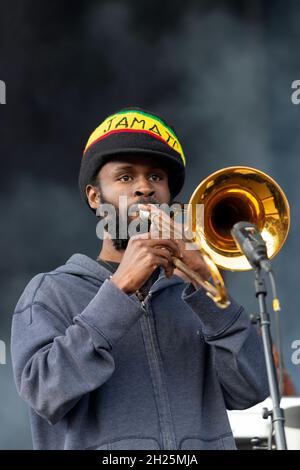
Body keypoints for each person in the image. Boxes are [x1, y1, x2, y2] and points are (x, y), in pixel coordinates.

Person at [11, 107, 269, 450]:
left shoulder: (196, 294)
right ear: (94, 196)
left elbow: (252, 389)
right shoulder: (51, 292)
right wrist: (119, 290)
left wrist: (207, 286)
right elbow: (45, 392)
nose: (144, 188)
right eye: (125, 177)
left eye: (157, 177)